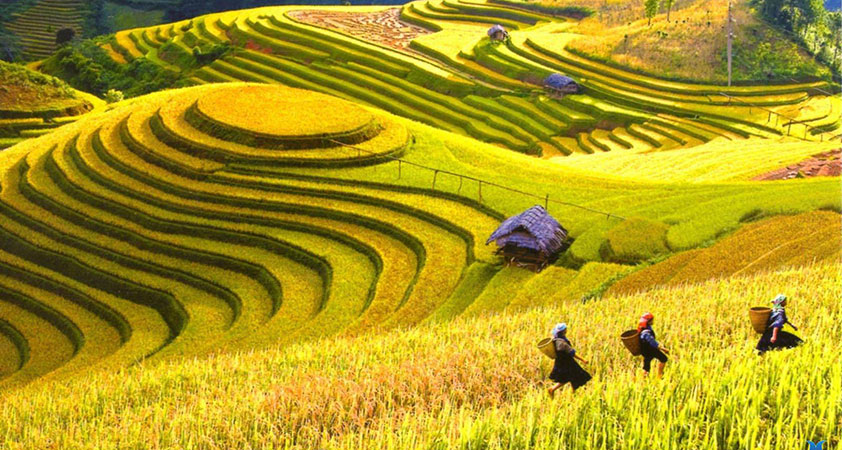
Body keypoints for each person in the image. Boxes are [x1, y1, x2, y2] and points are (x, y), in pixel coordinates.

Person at [547, 323, 591, 397]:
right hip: (567, 363)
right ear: (564, 331)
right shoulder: (562, 343)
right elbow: (572, 353)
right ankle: (553, 389)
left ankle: (573, 393)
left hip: (561, 362)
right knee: (574, 376)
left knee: (570, 378)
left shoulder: (555, 340)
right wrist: (583, 360)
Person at [638, 312, 669, 378]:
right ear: (648, 322)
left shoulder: (644, 329)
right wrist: (663, 349)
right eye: (652, 320)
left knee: (647, 366)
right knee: (663, 359)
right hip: (650, 350)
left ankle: (643, 379)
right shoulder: (646, 332)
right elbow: (652, 342)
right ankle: (659, 375)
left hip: (645, 351)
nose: (653, 321)